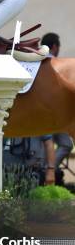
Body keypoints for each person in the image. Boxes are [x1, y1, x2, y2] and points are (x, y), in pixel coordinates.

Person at [41, 32, 74, 169]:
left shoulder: (39, 62)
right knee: (64, 144)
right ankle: (48, 169)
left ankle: (48, 169)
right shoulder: (53, 65)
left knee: (61, 144)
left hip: (47, 112)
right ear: (54, 46)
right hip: (52, 113)